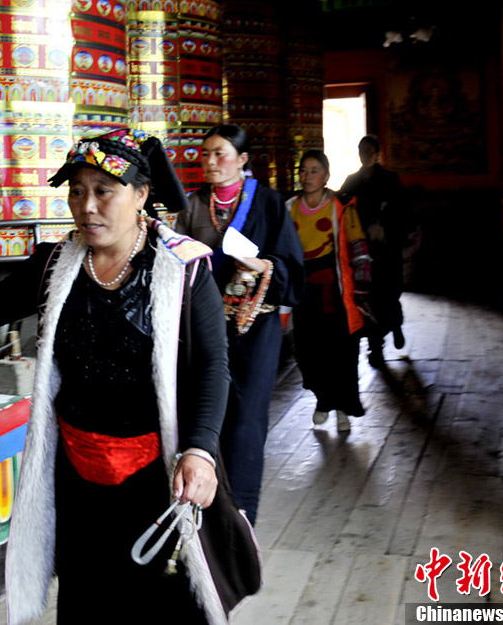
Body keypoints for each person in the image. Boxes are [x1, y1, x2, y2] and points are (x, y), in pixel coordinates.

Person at [0, 129, 233, 624]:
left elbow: (212, 368)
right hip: (75, 467)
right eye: (76, 191)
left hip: (154, 472)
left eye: (103, 191)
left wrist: (199, 451)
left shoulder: (182, 269)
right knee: (83, 592)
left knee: (152, 599)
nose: (86, 206)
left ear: (141, 196)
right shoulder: (56, 264)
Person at [174, 124, 304, 524]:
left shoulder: (267, 203)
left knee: (247, 417)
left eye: (220, 154)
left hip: (254, 325)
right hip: (206, 324)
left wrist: (262, 264)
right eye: (206, 154)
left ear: (243, 160)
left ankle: (241, 511)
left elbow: (290, 266)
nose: (211, 162)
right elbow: (176, 257)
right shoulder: (194, 205)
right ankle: (203, 496)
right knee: (207, 406)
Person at [286, 150, 371, 432]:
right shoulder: (289, 208)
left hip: (337, 294)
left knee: (341, 353)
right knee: (308, 353)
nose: (307, 176)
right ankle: (323, 399)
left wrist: (361, 288)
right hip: (303, 295)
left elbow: (358, 247)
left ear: (326, 176)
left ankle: (343, 409)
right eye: (303, 170)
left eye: (314, 171)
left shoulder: (341, 206)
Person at [339, 135, 407, 368]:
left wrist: (385, 228)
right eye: (361, 151)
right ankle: (375, 348)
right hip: (362, 252)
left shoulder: (391, 180)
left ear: (377, 154)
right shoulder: (351, 182)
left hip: (387, 249)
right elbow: (342, 209)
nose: (365, 155)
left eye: (369, 151)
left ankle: (396, 325)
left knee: (390, 293)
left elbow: (403, 211)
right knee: (369, 299)